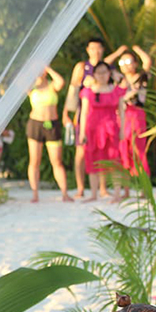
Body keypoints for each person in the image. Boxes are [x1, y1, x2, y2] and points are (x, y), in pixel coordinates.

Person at [64, 38, 109, 197]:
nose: (96, 51)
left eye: (98, 48)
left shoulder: (106, 68)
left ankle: (103, 188)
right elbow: (72, 91)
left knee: (103, 152)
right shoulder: (82, 67)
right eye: (92, 48)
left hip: (103, 117)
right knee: (81, 152)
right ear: (88, 50)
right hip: (83, 115)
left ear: (102, 50)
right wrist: (66, 113)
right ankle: (80, 188)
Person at [79, 62, 126, 202]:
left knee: (114, 160)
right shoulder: (88, 91)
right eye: (99, 72)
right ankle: (94, 194)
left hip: (111, 129)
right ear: (94, 74)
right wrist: (82, 132)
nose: (102, 75)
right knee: (93, 160)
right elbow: (84, 113)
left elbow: (122, 112)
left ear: (109, 73)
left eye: (104, 72)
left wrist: (122, 129)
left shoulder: (116, 90)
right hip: (93, 129)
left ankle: (117, 194)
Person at [25, 66, 73, 203]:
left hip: (52, 124)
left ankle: (64, 193)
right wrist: (33, 75)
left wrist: (48, 68)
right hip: (36, 124)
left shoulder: (52, 86)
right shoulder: (32, 88)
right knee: (34, 160)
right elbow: (19, 83)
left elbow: (61, 82)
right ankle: (35, 193)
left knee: (57, 161)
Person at [115, 47, 152, 199]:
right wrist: (118, 53)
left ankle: (144, 189)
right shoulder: (118, 79)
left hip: (136, 115)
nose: (125, 65)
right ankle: (126, 191)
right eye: (122, 62)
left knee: (138, 152)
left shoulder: (141, 77)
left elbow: (147, 62)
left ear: (135, 63)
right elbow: (102, 65)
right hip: (121, 117)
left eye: (129, 61)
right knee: (123, 151)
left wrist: (137, 49)